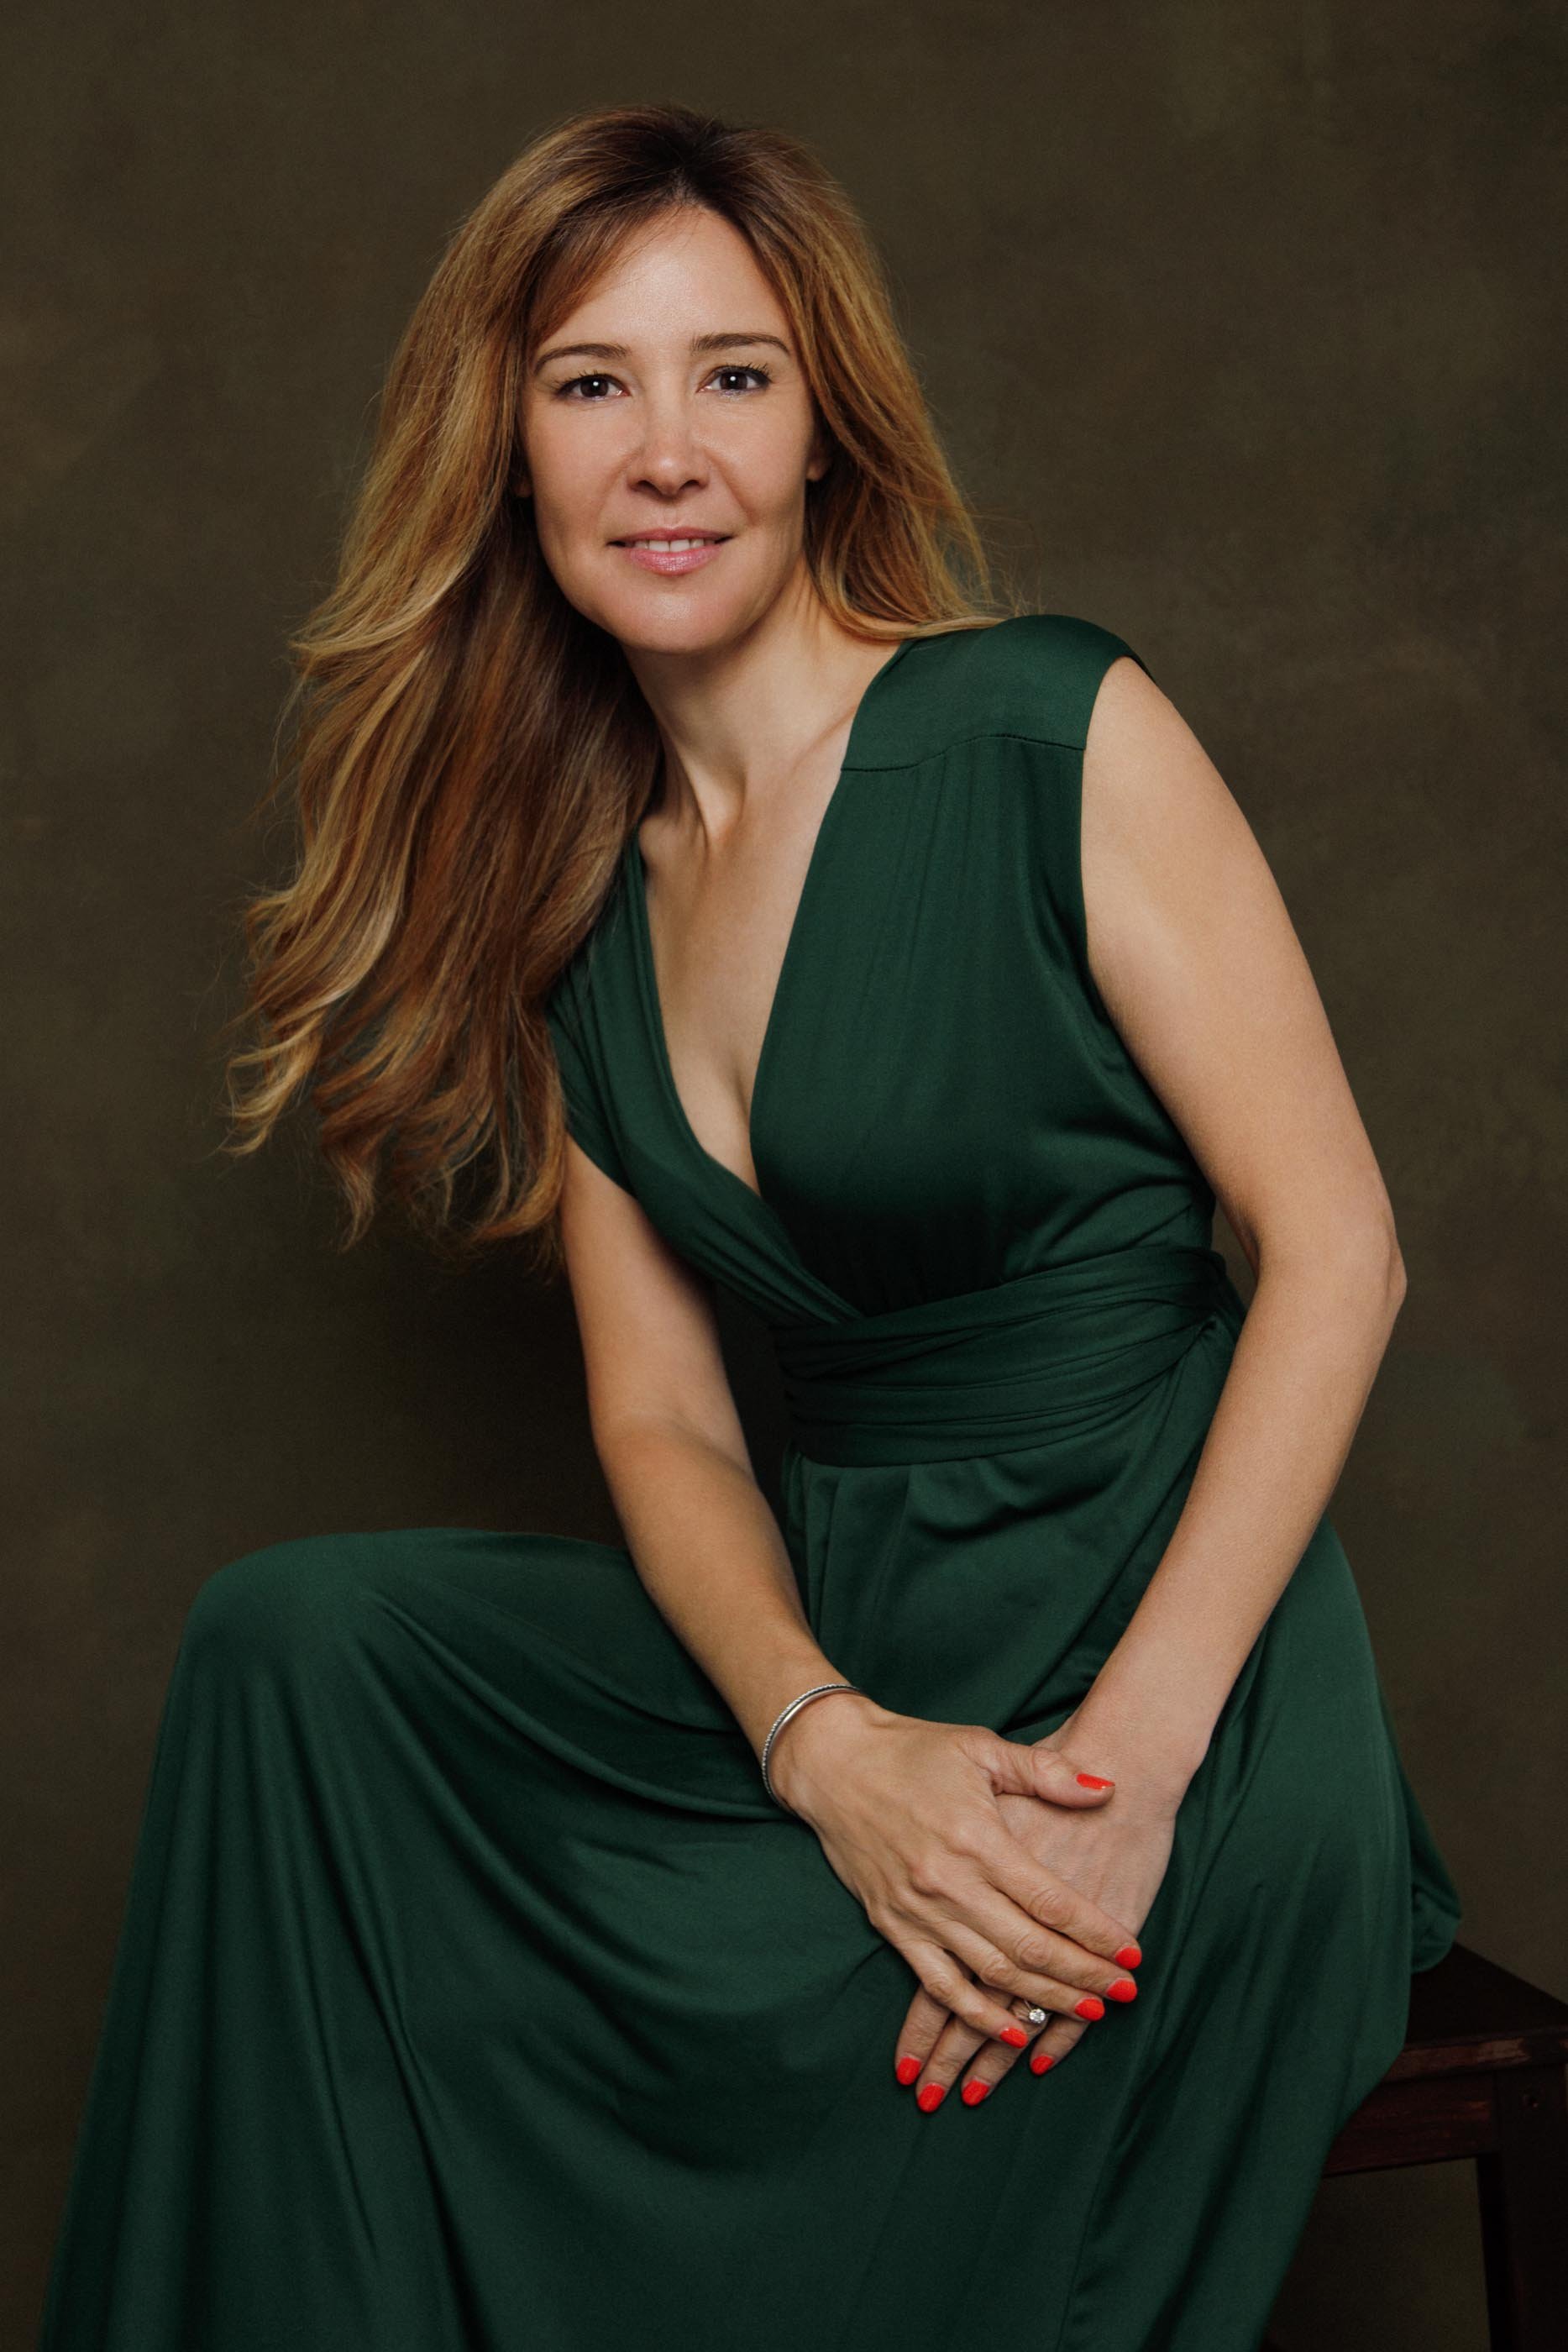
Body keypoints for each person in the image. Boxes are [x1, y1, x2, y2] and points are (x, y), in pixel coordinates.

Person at [38, 101, 1461, 2352]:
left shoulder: (1043, 730)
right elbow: (667, 1425)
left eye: (734, 374)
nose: (667, 452)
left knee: (894, 2090)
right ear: (509, 454)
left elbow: (1338, 1252)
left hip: (1164, 1664)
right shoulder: (581, 911)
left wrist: (1124, 1785)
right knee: (292, 1649)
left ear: (821, 429)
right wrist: (827, 1743)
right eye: (591, 384)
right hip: (850, 1655)